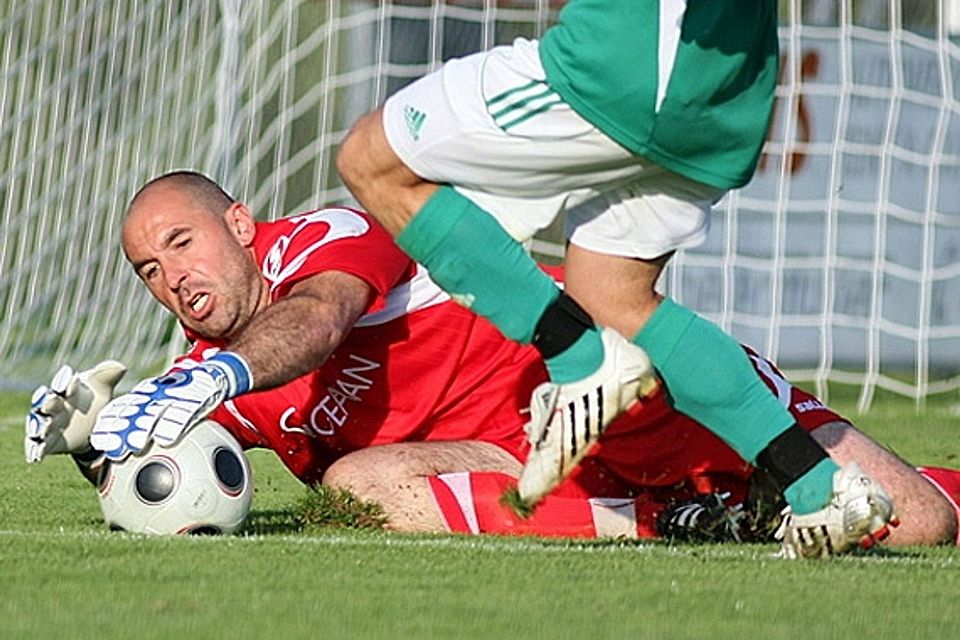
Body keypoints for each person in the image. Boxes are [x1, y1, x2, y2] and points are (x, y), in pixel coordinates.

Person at [24, 172, 954, 557]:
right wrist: (90, 440)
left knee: (918, 524)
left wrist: (219, 377)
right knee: (359, 482)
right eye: (149, 269)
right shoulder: (210, 369)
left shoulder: (324, 238)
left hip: (622, 385)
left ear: (238, 226)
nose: (171, 277)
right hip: (532, 470)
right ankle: (680, 522)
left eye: (182, 244)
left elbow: (317, 318)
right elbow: (168, 474)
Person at [333, 0, 894, 548]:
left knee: (373, 159)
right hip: (726, 101)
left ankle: (579, 362)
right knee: (612, 301)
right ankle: (820, 489)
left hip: (631, 68)